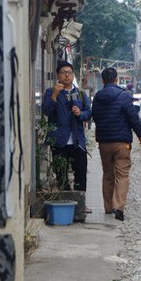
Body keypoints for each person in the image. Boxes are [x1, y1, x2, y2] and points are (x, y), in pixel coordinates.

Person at [92, 67, 141, 221]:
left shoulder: (97, 97)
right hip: (122, 142)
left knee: (108, 175)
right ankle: (119, 208)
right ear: (116, 79)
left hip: (104, 142)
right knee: (122, 175)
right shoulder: (123, 96)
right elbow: (133, 118)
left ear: (103, 80)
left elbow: (95, 116)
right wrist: (140, 136)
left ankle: (108, 207)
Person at [41, 61, 92, 201]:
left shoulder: (80, 94)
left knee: (81, 173)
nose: (67, 75)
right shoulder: (51, 92)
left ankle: (80, 203)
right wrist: (55, 95)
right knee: (61, 175)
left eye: (69, 72)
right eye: (63, 73)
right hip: (59, 141)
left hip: (77, 141)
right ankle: (66, 202)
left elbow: (89, 113)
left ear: (73, 75)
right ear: (58, 75)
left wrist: (80, 113)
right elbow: (46, 111)